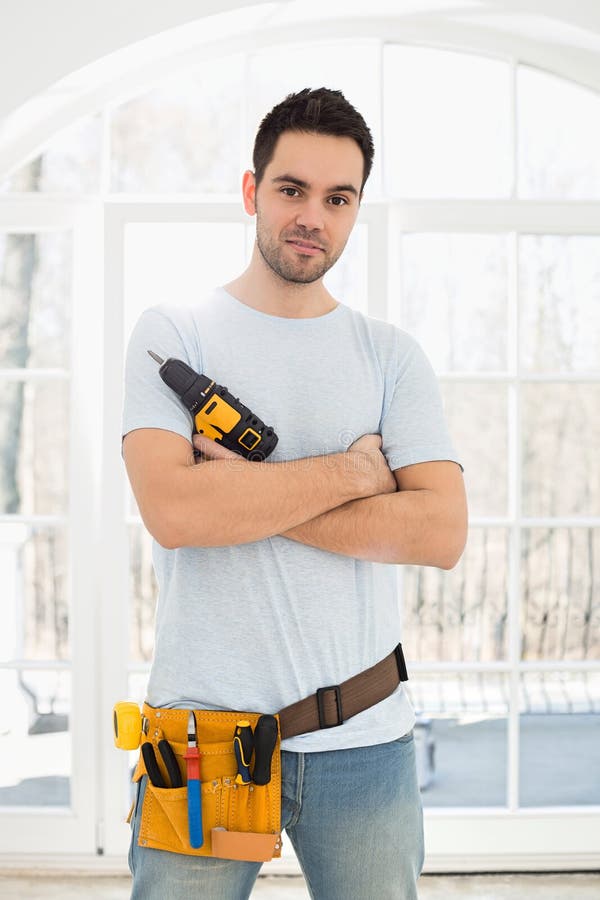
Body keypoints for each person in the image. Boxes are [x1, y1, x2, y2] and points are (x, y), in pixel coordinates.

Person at [122, 86, 467, 900]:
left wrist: (242, 497)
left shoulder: (390, 356)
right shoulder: (175, 333)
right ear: (252, 192)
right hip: (201, 744)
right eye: (291, 190)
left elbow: (440, 533)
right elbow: (175, 515)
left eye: (337, 198)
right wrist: (353, 474)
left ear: (354, 211)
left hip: (364, 738)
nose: (313, 215)